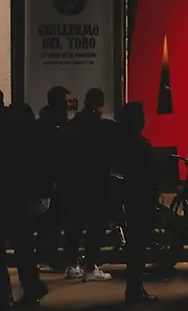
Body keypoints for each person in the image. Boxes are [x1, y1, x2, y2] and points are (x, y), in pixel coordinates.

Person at [1, 103, 52, 310]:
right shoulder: (34, 137)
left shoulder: (8, 139)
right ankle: (32, 288)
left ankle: (7, 296)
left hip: (11, 198)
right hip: (28, 200)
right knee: (23, 246)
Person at [63, 88, 117, 282]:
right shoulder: (105, 127)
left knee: (74, 224)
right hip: (97, 184)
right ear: (100, 105)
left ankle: (71, 265)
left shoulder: (73, 125)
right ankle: (90, 267)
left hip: (75, 184)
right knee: (96, 226)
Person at [115, 102, 159, 304]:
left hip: (131, 201)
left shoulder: (122, 145)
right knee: (138, 248)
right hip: (140, 203)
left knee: (136, 248)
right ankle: (135, 288)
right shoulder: (140, 146)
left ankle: (134, 287)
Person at [36, 86, 71, 274]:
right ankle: (47, 257)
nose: (68, 105)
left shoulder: (48, 121)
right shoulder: (53, 124)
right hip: (54, 180)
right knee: (53, 221)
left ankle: (46, 256)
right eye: (66, 101)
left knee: (52, 221)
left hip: (54, 179)